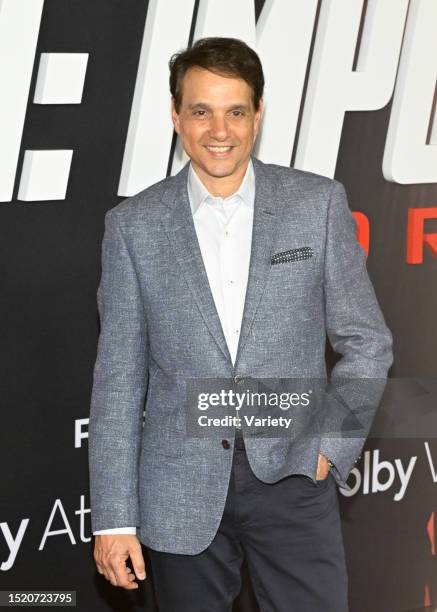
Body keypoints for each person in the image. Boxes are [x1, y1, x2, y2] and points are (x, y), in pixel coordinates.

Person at [88, 37, 393, 611]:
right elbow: (118, 382)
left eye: (235, 111)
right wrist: (113, 518)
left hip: (295, 479)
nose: (218, 130)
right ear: (176, 116)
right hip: (178, 490)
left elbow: (366, 342)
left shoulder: (317, 204)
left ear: (258, 116)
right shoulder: (133, 227)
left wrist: (331, 446)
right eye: (201, 110)